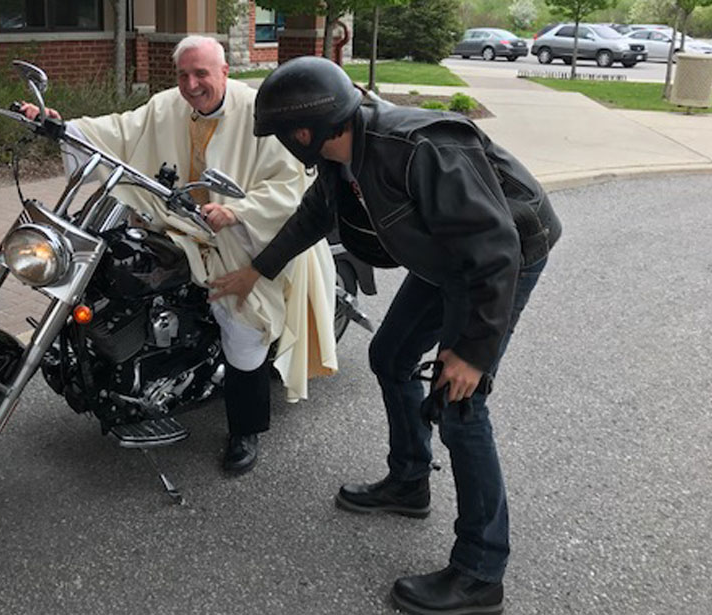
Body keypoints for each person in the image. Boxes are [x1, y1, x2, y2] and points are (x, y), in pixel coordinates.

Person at [210, 56, 561, 614]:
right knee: (391, 353)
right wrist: (257, 270)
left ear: (306, 131)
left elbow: (496, 252)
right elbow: (311, 219)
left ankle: (480, 571)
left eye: (281, 135)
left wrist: (471, 352)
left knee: (460, 405)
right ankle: (409, 481)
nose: (281, 144)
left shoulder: (419, 150)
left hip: (502, 257)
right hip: (446, 254)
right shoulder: (340, 157)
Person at [21, 37, 338, 475]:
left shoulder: (258, 111)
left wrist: (237, 210)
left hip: (246, 237)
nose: (191, 84)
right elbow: (120, 130)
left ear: (224, 72)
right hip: (183, 224)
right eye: (184, 75)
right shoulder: (167, 105)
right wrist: (62, 127)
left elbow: (291, 184)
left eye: (202, 74)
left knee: (240, 320)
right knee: (114, 261)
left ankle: (246, 428)